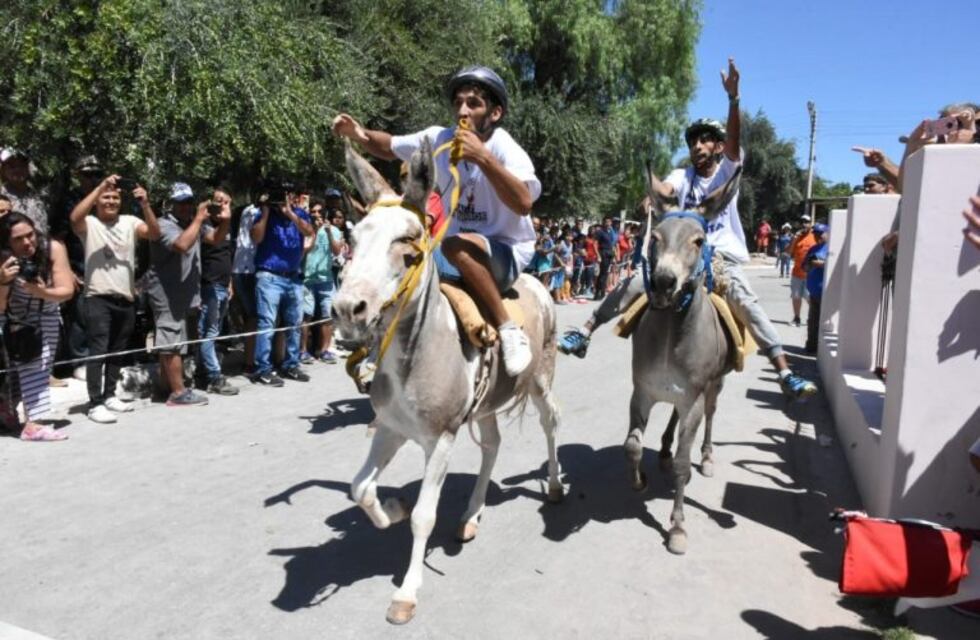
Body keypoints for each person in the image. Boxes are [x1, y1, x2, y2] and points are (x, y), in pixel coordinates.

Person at [558, 58, 817, 400]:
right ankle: (587, 331)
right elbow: (666, 189)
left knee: (746, 300)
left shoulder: (726, 174)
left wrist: (734, 100)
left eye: (706, 140)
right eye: (693, 140)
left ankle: (784, 371)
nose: (697, 145)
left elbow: (737, 144)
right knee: (635, 280)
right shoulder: (683, 176)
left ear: (719, 147)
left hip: (719, 256)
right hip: (680, 254)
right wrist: (653, 198)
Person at [331, 65, 540, 377]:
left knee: (456, 245)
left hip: (503, 253)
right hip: (455, 251)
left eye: (473, 103)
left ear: (495, 114)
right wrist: (359, 134)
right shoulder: (438, 138)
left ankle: (508, 329)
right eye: (458, 103)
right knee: (404, 261)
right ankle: (373, 341)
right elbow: (388, 146)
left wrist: (483, 157)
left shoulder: (504, 147)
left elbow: (524, 203)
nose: (462, 110)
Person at [70, 175, 161, 424]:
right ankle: (94, 403)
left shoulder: (130, 222)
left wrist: (145, 205)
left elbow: (154, 233)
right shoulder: (89, 223)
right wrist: (99, 186)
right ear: (97, 201)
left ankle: (110, 395)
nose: (110, 201)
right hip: (97, 297)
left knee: (117, 351)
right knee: (97, 352)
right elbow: (73, 219)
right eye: (106, 197)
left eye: (115, 197)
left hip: (125, 297)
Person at [144, 183, 230, 406]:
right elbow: (181, 245)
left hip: (184, 296)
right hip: (165, 295)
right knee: (170, 341)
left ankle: (167, 387)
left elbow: (216, 239)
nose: (186, 207)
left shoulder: (193, 224)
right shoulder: (164, 225)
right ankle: (178, 393)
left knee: (176, 343)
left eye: (189, 202)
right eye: (181, 203)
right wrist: (200, 218)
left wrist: (226, 219)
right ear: (171, 204)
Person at [0, 213, 74, 440]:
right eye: (18, 239)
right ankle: (8, 415)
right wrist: (3, 281)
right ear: (7, 242)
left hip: (45, 313)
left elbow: (67, 291)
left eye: (30, 235)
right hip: (11, 316)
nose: (26, 243)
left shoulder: (53, 248)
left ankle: (34, 422)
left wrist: (40, 292)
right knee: (10, 370)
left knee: (38, 365)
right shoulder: (2, 257)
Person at [250, 188, 314, 386]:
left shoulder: (300, 214)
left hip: (293, 277)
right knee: (267, 324)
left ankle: (291, 364)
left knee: (294, 323)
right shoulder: (265, 214)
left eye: (290, 195)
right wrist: (267, 212)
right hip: (269, 276)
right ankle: (262, 369)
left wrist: (290, 214)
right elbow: (256, 237)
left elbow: (309, 232)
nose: (286, 199)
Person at [195, 186, 238, 396]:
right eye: (217, 201)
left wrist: (230, 283)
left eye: (225, 201)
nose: (221, 205)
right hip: (209, 285)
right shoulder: (204, 225)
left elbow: (227, 256)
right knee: (208, 332)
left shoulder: (229, 227)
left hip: (223, 285)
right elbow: (212, 241)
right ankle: (213, 377)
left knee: (214, 332)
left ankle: (203, 373)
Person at [299, 198, 344, 363]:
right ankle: (303, 351)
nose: (316, 214)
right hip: (307, 279)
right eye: (313, 211)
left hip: (326, 279)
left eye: (319, 211)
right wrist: (315, 231)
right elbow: (304, 251)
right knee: (306, 315)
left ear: (324, 213)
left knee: (326, 316)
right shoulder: (305, 229)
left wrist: (329, 232)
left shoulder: (333, 230)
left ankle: (324, 350)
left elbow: (337, 250)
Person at [231, 197, 262, 374]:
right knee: (254, 316)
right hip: (248, 269)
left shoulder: (244, 210)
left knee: (252, 316)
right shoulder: (252, 212)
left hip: (244, 268)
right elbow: (255, 236)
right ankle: (250, 362)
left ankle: (252, 359)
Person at [0, 149, 48, 235]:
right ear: (3, 170)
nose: (18, 169)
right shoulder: (1, 198)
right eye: (12, 166)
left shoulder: (41, 195)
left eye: (22, 165)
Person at [803, 224, 829, 354]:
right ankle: (811, 345)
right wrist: (809, 263)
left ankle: (821, 349)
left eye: (820, 233)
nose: (817, 235)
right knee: (812, 320)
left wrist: (822, 264)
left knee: (823, 321)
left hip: (826, 292)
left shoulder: (831, 249)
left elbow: (834, 266)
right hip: (814, 291)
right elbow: (805, 267)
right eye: (815, 233)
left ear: (827, 233)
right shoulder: (813, 249)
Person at [788, 215, 815, 326]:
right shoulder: (796, 237)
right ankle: (797, 318)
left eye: (806, 222)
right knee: (796, 296)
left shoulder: (815, 236)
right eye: (802, 222)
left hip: (810, 274)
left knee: (810, 298)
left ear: (810, 223)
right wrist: (794, 240)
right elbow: (789, 253)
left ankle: (813, 318)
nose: (804, 224)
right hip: (797, 273)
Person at [594, 216, 617, 300]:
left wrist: (614, 256)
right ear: (603, 222)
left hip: (609, 253)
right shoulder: (600, 232)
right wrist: (598, 255)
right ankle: (598, 293)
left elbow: (612, 245)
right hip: (603, 253)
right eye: (606, 222)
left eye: (609, 222)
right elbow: (595, 244)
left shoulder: (611, 231)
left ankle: (602, 292)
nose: (608, 223)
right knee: (602, 274)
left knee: (605, 274)